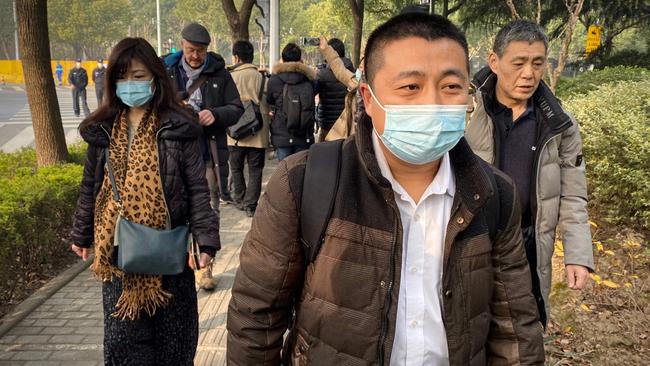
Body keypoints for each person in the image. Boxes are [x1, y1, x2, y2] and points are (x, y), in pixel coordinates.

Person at [227, 12, 544, 365]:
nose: (433, 103)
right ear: (368, 96)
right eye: (411, 87)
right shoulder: (304, 181)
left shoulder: (492, 194)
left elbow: (515, 331)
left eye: (451, 87)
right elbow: (255, 318)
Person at [69, 37, 219, 365]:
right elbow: (90, 185)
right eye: (122, 77)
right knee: (124, 345)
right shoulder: (103, 129)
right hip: (118, 253)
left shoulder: (179, 126)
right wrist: (81, 233)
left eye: (138, 76)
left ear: (154, 76)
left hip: (170, 252)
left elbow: (197, 188)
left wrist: (206, 241)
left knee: (175, 344)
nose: (130, 84)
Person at [466, 20, 594, 327]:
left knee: (524, 329)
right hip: (474, 239)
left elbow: (573, 193)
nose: (529, 74)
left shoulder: (559, 124)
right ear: (494, 62)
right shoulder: (467, 111)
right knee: (470, 326)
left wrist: (577, 253)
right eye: (519, 63)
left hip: (529, 243)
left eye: (538, 63)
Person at [163, 23, 243, 291]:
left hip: (207, 152)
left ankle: (206, 267)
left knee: (209, 206)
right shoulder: (167, 71)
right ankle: (174, 262)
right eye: (190, 50)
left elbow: (236, 107)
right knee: (173, 204)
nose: (195, 56)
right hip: (172, 152)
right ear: (182, 45)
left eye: (200, 51)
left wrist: (215, 114)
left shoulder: (219, 73)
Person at [227, 40, 270, 218]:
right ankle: (251, 205)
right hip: (256, 130)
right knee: (255, 169)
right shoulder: (262, 77)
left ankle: (239, 197)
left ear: (236, 57)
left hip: (235, 130)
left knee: (236, 168)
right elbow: (267, 102)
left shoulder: (229, 76)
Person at [266, 42, 316, 161]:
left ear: (282, 59)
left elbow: (270, 100)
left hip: (282, 132)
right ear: (300, 59)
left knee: (284, 173)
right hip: (304, 134)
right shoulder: (309, 79)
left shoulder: (274, 80)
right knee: (301, 172)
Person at [317, 36, 365, 141]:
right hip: (351, 137)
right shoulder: (357, 84)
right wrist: (326, 49)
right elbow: (340, 71)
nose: (361, 70)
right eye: (360, 67)